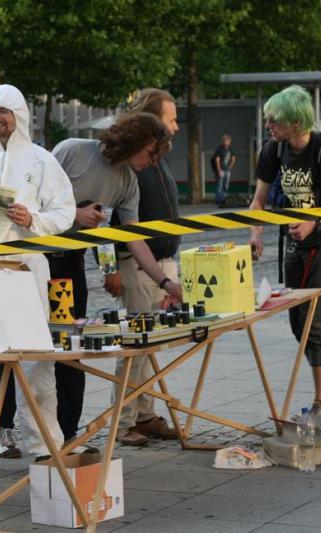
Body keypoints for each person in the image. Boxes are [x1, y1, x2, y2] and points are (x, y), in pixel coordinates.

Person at [0, 84, 74, 475]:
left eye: (3, 112)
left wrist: (32, 220)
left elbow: (65, 212)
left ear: (19, 115)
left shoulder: (41, 161)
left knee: (35, 358)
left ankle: (42, 441)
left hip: (25, 270)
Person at [48, 112, 182, 446]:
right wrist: (74, 215)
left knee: (69, 350)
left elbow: (132, 238)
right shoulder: (71, 151)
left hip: (69, 267)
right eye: (152, 153)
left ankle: (66, 436)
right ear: (135, 139)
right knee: (25, 349)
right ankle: (9, 426)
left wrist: (166, 284)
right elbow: (35, 202)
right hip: (36, 263)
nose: (152, 163)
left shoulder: (127, 182)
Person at [248, 85, 321, 416]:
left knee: (312, 321)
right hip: (292, 245)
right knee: (297, 323)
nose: (268, 126)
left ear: (295, 121)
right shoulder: (274, 149)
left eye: (274, 120)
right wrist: (255, 233)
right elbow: (258, 201)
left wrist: (314, 225)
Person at [109, 88, 182, 447]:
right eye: (172, 119)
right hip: (136, 264)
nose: (177, 126)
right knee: (135, 344)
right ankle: (122, 423)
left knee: (150, 346)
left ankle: (144, 413)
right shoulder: (131, 159)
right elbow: (111, 217)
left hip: (161, 263)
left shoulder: (157, 155)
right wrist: (109, 265)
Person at [212, 134, 236, 206]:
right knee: (220, 185)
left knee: (226, 185)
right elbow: (217, 160)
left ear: (229, 141)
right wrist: (219, 170)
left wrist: (230, 167)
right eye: (224, 140)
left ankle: (224, 199)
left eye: (227, 140)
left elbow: (233, 158)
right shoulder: (219, 149)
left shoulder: (230, 149)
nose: (225, 142)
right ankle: (218, 200)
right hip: (221, 170)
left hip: (227, 170)